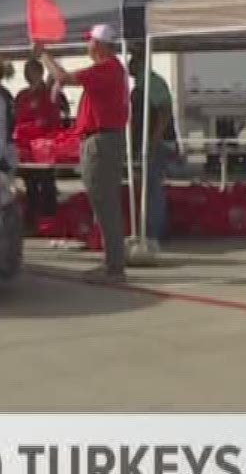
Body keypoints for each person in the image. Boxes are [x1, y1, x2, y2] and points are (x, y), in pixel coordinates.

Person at [38, 26, 131, 282]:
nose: (87, 47)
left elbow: (64, 78)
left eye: (90, 43)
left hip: (101, 140)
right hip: (103, 138)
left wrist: (44, 55)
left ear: (100, 45)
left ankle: (114, 267)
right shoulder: (113, 70)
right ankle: (112, 263)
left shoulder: (107, 69)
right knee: (104, 203)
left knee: (105, 203)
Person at [128, 49, 177, 254]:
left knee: (152, 189)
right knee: (147, 188)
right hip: (147, 143)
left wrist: (153, 140)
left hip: (156, 144)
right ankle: (148, 230)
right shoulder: (141, 84)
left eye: (132, 59)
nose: (128, 64)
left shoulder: (151, 83)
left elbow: (164, 112)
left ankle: (153, 232)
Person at [13, 60, 65, 223]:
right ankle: (32, 220)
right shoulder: (22, 95)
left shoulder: (49, 93)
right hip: (27, 149)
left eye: (32, 71)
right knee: (30, 185)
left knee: (47, 183)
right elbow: (17, 120)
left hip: (45, 148)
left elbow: (54, 120)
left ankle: (50, 219)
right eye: (26, 71)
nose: (28, 75)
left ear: (40, 72)